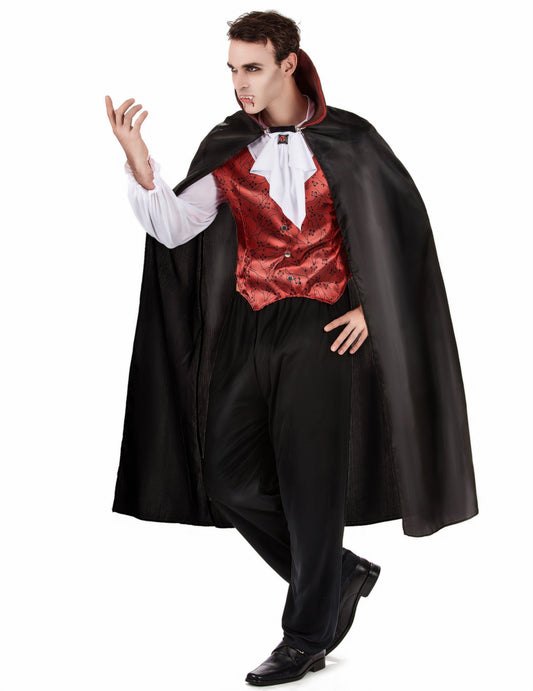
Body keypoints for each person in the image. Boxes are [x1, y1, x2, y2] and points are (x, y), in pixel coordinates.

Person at [105, 10, 478, 687]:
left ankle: (305, 636)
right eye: (232, 70)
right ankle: (339, 574)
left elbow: (406, 235)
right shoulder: (230, 144)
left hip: (322, 331)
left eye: (252, 68)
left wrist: (372, 308)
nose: (239, 84)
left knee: (311, 486)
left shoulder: (352, 139)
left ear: (288, 64)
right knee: (225, 479)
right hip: (249, 326)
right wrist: (138, 162)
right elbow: (175, 227)